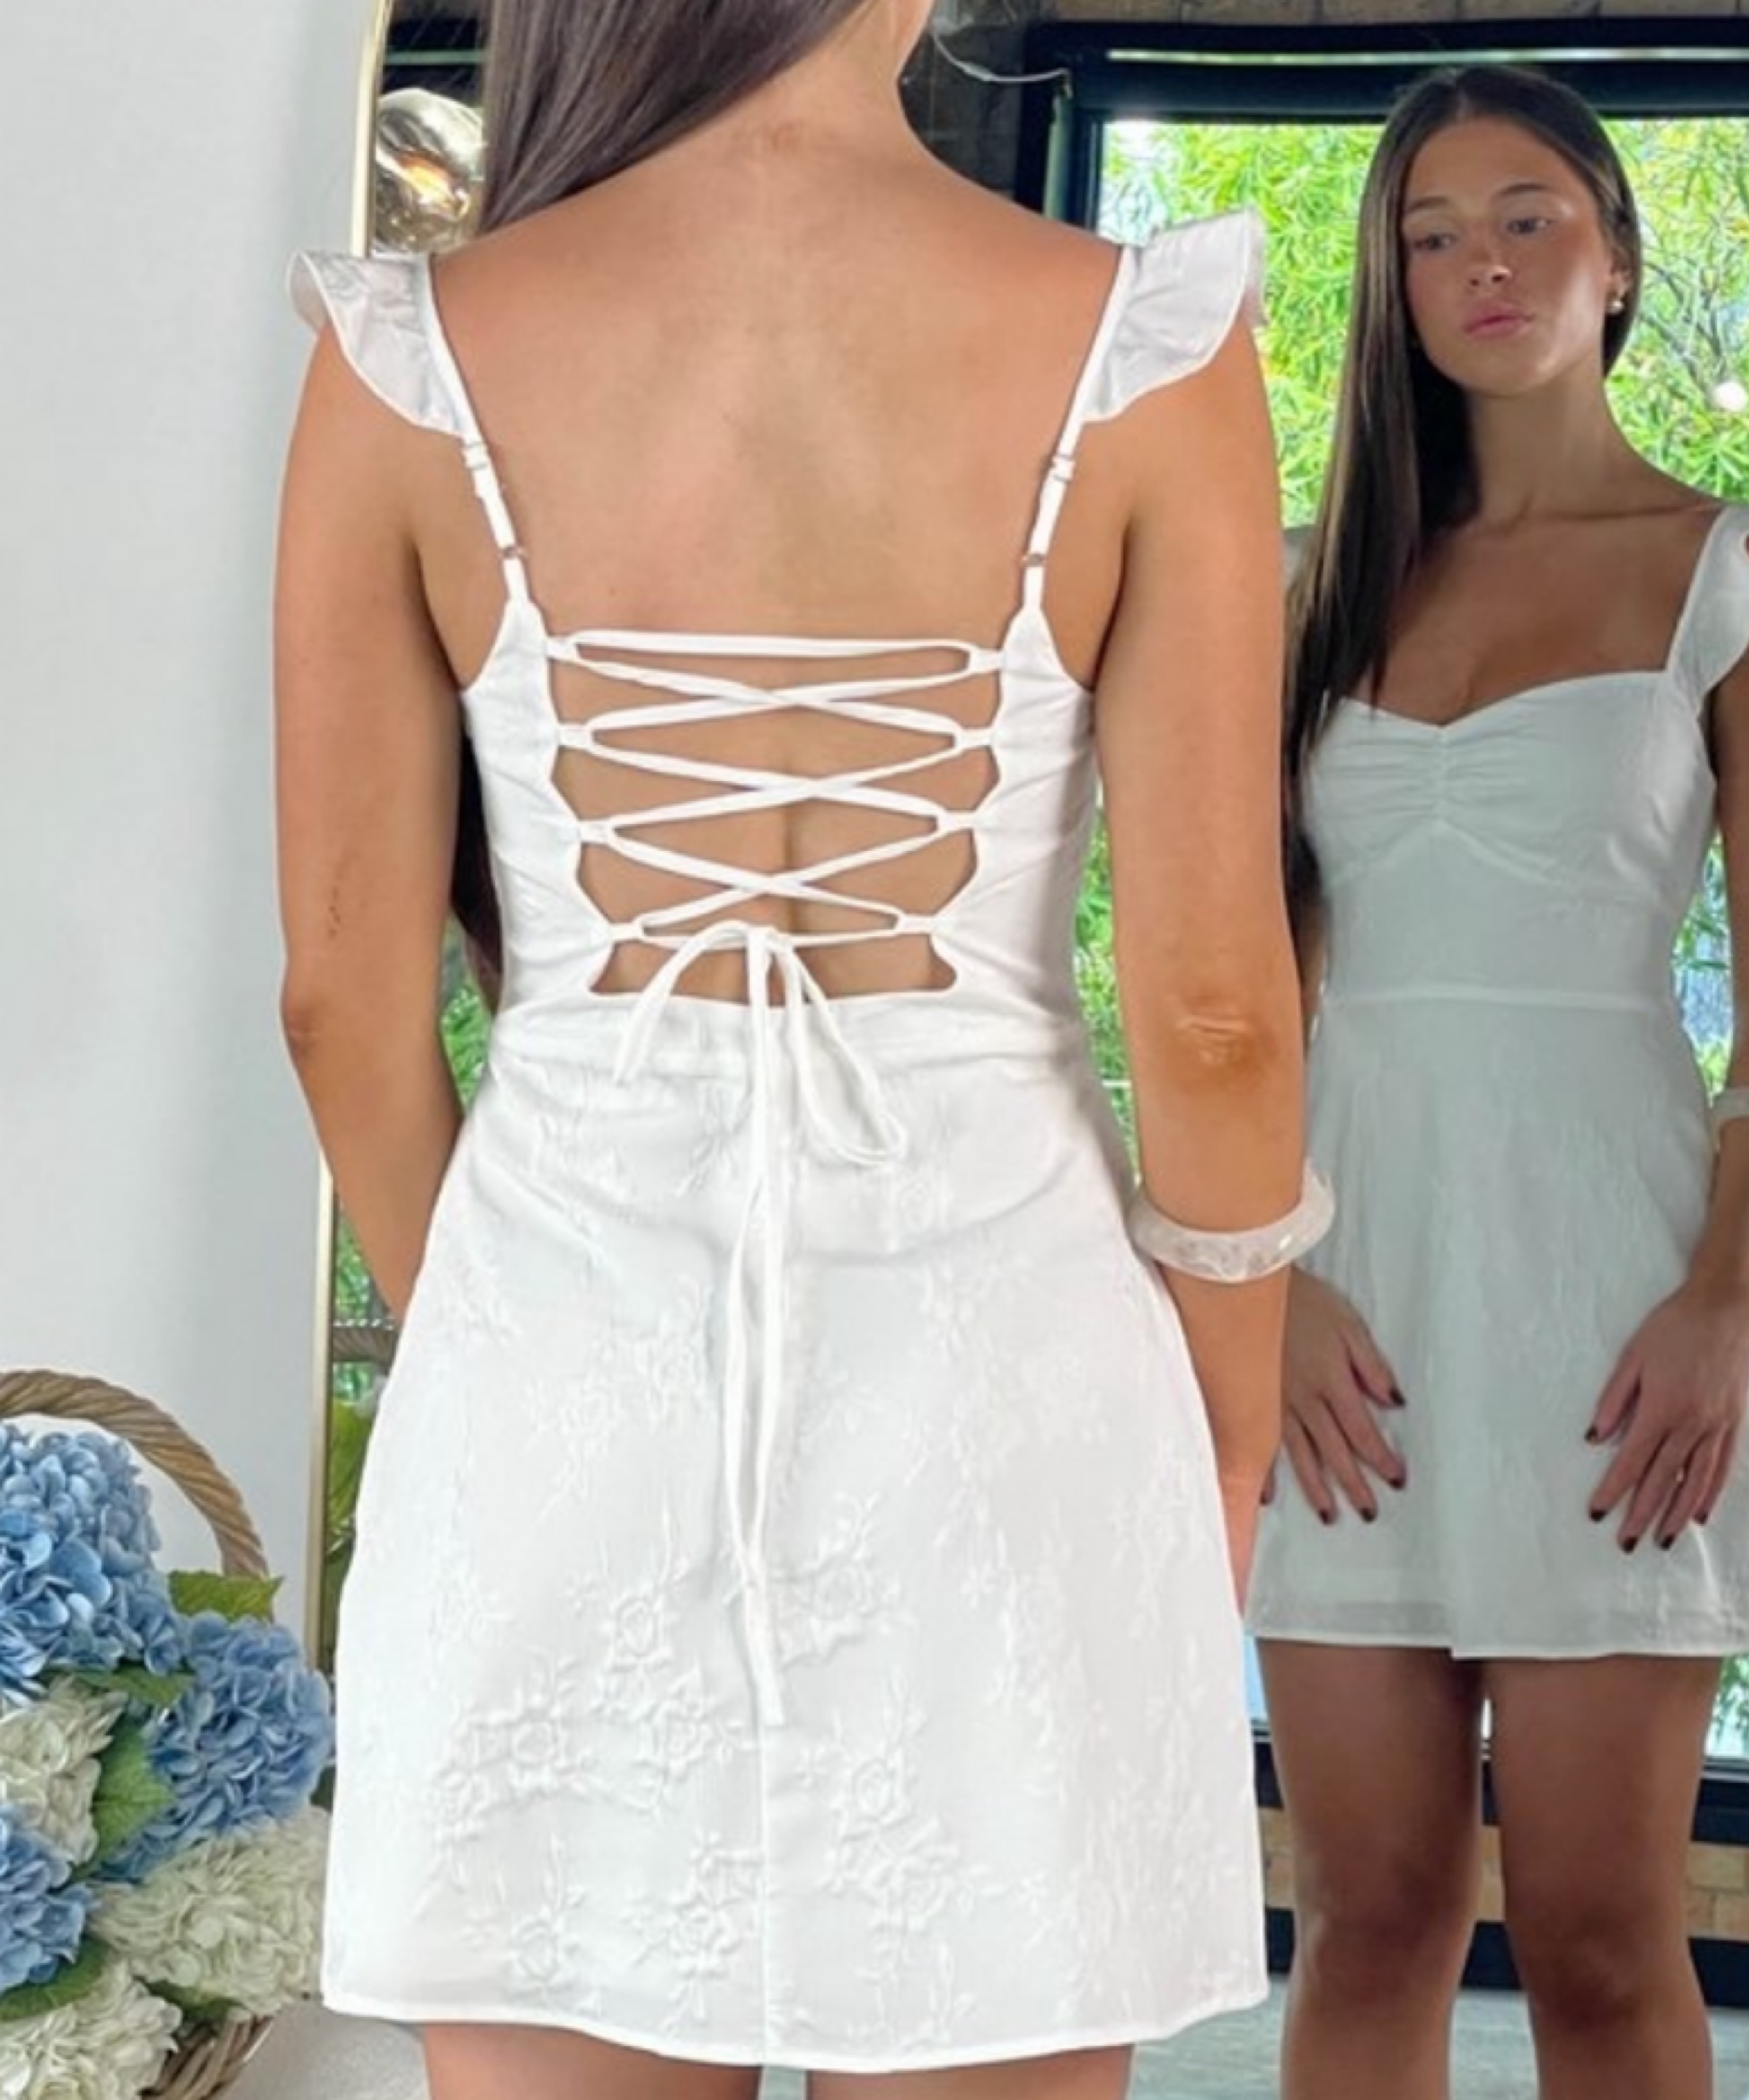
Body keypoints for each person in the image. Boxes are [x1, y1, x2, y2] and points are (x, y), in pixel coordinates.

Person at [273, 4, 1316, 2096]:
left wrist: (489, 1339)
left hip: (560, 1357)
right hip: (1005, 1369)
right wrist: (1220, 1424)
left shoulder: (408, 355)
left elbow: (339, 1005)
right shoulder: (1143, 346)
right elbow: (1211, 1011)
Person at [1245, 63, 1749, 2100]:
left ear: (1618, 257)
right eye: (1431, 236)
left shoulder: (1740, 571)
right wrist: (1261, 1280)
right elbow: (1240, 982)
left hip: (1618, 1295)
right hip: (1347, 1301)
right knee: (1367, 1919)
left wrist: (1722, 1306)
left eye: (1526, 220)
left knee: (1597, 1940)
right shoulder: (1308, 581)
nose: (1481, 266)